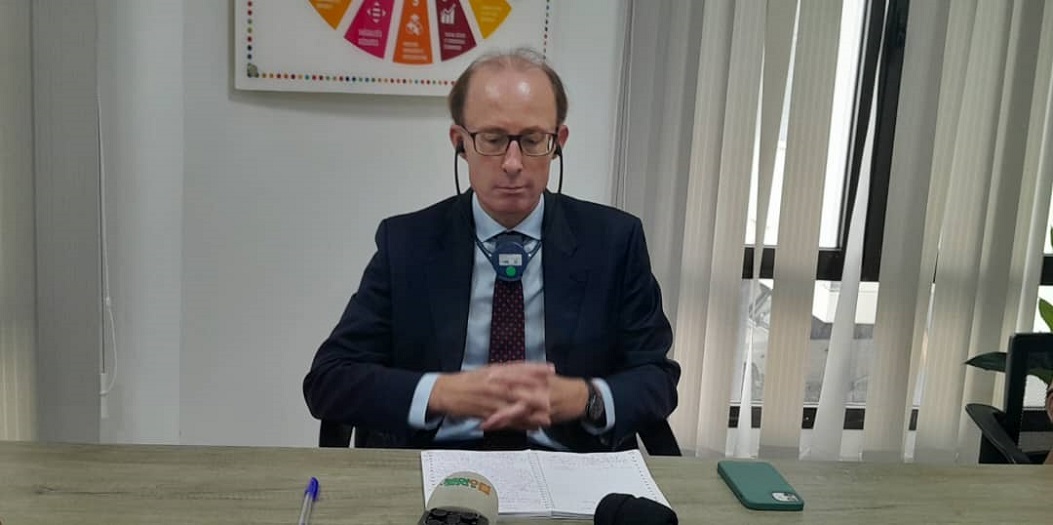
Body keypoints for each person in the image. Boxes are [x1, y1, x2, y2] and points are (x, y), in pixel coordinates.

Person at [303, 48, 679, 452]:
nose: (513, 163)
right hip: (434, 459)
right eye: (493, 140)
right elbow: (330, 380)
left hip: (568, 462)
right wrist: (441, 392)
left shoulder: (613, 241)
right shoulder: (408, 243)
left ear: (558, 143)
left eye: (532, 140)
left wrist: (585, 399)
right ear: (460, 143)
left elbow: (656, 378)